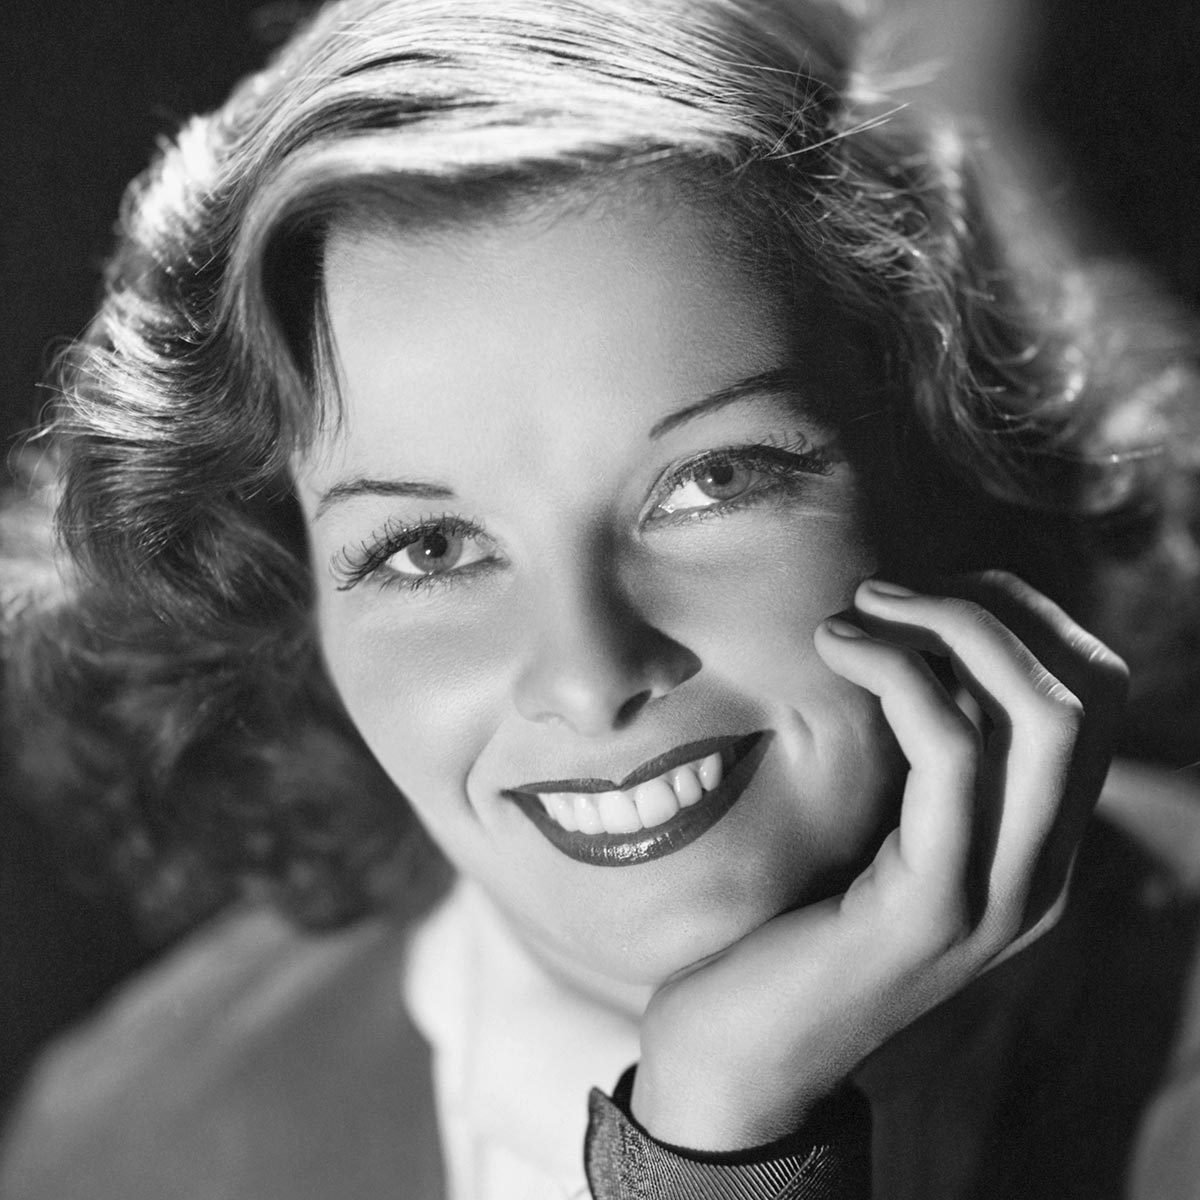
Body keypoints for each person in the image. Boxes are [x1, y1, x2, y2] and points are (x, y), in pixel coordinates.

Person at [1, 0, 1198, 1196]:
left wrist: (724, 1141)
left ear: (941, 446)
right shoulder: (128, 1147)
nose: (587, 674)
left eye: (711, 481)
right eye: (428, 549)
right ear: (289, 609)